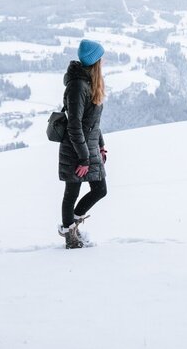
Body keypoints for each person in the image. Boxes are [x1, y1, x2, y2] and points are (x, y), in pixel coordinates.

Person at [57, 39, 108, 249]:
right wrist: (84, 158)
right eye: (101, 59)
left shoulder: (88, 83)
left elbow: (92, 122)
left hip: (89, 146)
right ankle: (70, 235)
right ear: (95, 61)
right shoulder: (78, 85)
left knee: (100, 189)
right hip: (77, 150)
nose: (103, 62)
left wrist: (101, 145)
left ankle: (72, 225)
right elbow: (75, 125)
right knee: (72, 193)